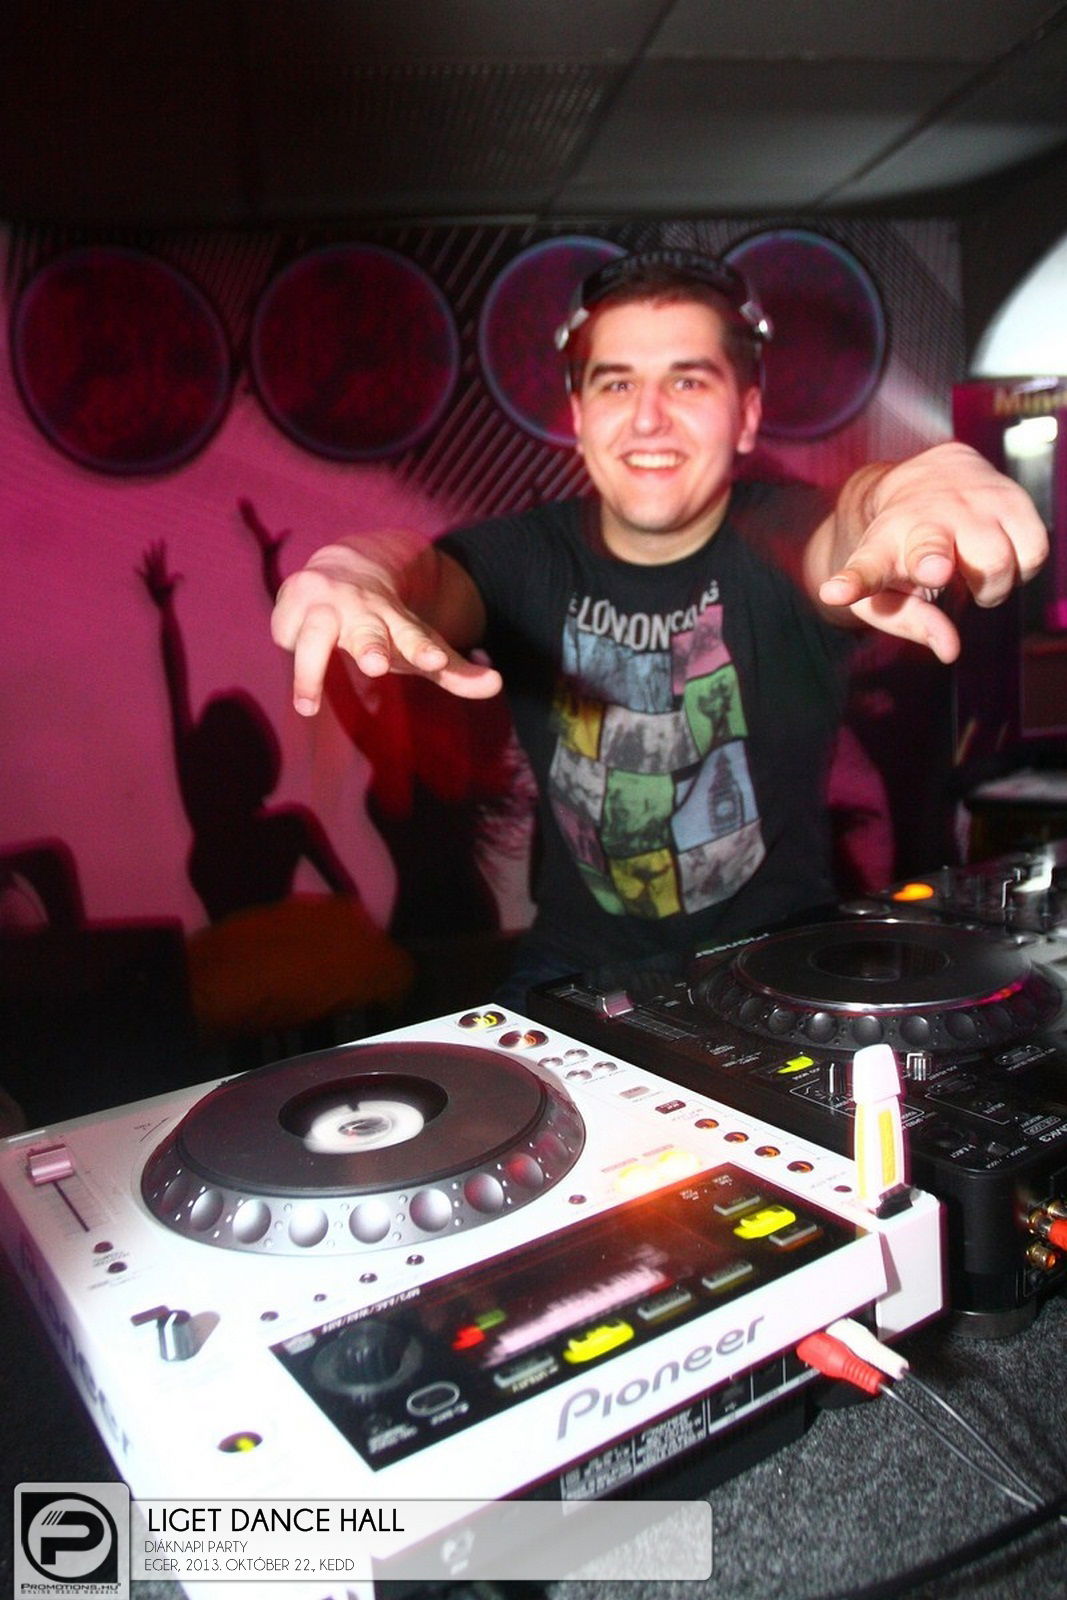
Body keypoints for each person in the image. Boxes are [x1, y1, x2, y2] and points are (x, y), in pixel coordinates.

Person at [269, 248, 1048, 1006]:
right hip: (573, 968)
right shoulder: (523, 556)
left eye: (687, 380)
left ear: (746, 416)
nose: (647, 418)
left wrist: (896, 494)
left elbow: (847, 534)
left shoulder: (786, 534)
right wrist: (359, 567)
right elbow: (426, 578)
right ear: (579, 415)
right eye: (616, 383)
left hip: (780, 956)